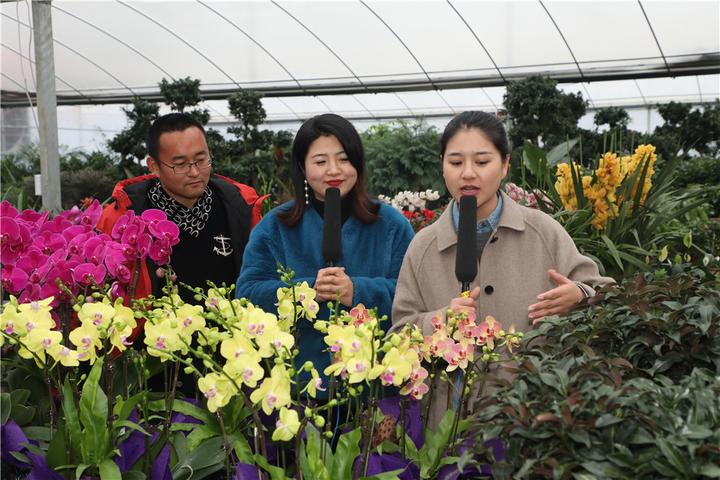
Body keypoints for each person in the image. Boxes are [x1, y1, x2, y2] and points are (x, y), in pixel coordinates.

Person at [392, 111, 614, 421]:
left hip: (530, 418)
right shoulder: (423, 246)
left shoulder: (543, 231)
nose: (468, 174)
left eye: (482, 162)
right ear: (442, 166)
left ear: (505, 164)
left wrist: (579, 294)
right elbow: (400, 335)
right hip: (446, 427)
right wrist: (441, 321)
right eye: (455, 163)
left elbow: (609, 297)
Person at [235, 113, 414, 393]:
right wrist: (308, 292)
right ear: (302, 168)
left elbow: (413, 296)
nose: (334, 170)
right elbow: (247, 293)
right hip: (299, 386)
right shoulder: (275, 226)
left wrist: (357, 291)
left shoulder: (391, 224)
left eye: (344, 159)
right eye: (320, 161)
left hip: (375, 384)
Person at [98, 112, 265, 305]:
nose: (194, 172)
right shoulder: (123, 218)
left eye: (201, 160)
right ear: (154, 166)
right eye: (180, 164)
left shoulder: (240, 207)